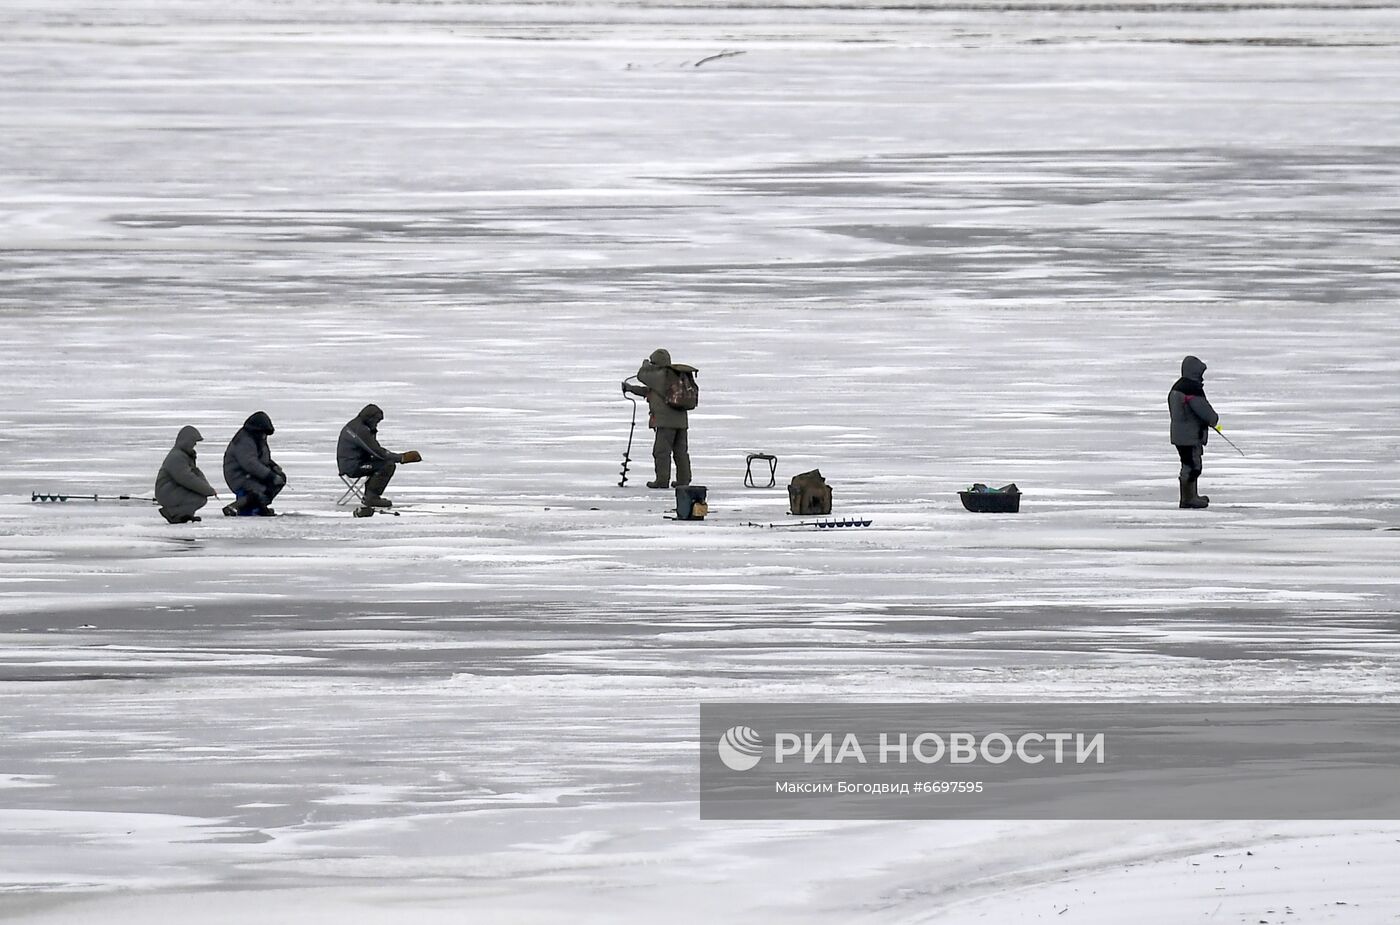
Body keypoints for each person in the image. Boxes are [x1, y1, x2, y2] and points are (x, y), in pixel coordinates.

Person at [622, 348, 693, 489]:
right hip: (681, 422)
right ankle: (684, 480)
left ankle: (662, 480)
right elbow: (650, 392)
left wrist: (645, 365)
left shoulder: (660, 375)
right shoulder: (674, 376)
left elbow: (642, 375)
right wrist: (631, 389)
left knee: (661, 452)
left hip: (666, 422)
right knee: (680, 452)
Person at [337, 404, 421, 509]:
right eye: (376, 421)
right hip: (353, 466)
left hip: (353, 462)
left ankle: (370, 496)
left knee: (382, 462)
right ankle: (372, 497)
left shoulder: (357, 426)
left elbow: (373, 451)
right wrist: (401, 458)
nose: (377, 424)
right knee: (387, 465)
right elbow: (376, 451)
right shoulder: (361, 430)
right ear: (370, 418)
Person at [1168, 355, 1220, 509]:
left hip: (1180, 435)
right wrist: (1214, 420)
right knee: (1192, 466)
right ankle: (1188, 498)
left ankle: (1191, 496)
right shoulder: (1191, 390)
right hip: (1190, 436)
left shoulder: (1177, 388)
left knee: (1188, 464)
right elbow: (1207, 414)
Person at [222, 411, 285, 516]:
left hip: (251, 474)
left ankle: (260, 505)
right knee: (259, 490)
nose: (265, 436)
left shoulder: (258, 439)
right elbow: (250, 463)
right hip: (239, 475)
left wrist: (273, 466)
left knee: (279, 479)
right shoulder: (244, 441)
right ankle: (234, 507)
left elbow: (262, 459)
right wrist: (270, 476)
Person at [154, 425, 218, 524]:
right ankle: (172, 513)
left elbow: (194, 474)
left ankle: (184, 515)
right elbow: (187, 478)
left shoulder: (184, 455)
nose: (194, 444)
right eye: (194, 441)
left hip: (171, 489)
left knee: (200, 497)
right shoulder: (177, 457)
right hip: (166, 492)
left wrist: (207, 488)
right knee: (199, 498)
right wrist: (207, 490)